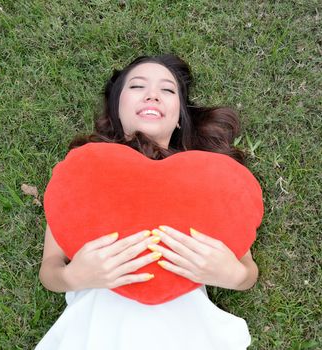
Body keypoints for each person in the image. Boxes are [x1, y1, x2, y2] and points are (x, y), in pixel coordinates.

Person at [36, 54, 260, 349]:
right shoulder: (83, 174)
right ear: (117, 107)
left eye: (168, 90)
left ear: (180, 117)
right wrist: (74, 276)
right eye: (137, 87)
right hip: (95, 329)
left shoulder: (210, 181)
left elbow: (248, 273)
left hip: (185, 330)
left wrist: (231, 274)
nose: (153, 95)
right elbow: (49, 270)